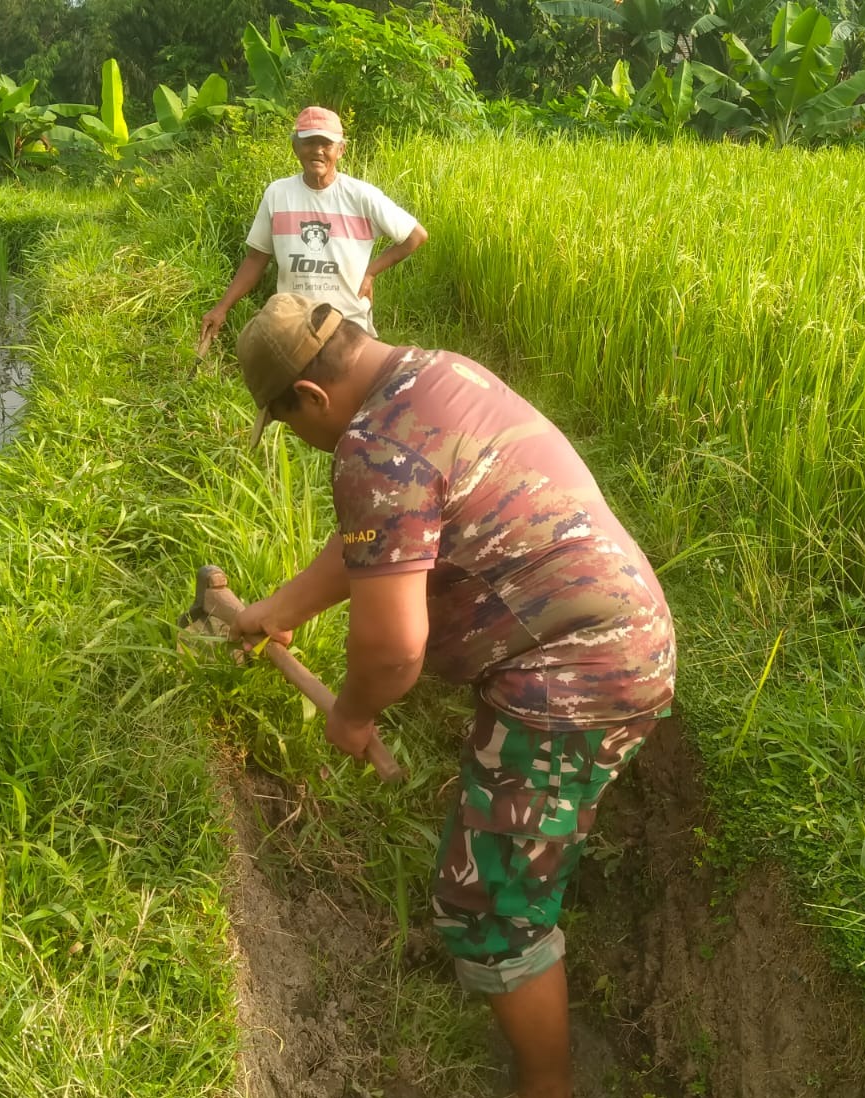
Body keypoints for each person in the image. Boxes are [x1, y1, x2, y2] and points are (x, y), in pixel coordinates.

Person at [230, 293, 676, 1098]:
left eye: (287, 421)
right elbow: (381, 534)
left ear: (310, 398)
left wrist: (354, 713)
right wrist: (278, 611)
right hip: (619, 632)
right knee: (508, 870)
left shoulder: (373, 451)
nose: (300, 439)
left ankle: (548, 1086)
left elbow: (392, 650)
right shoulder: (433, 376)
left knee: (489, 912)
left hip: (574, 678)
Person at [196, 105, 429, 357]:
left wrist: (371, 273)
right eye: (309, 142)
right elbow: (256, 258)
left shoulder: (360, 196)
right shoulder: (278, 194)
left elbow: (415, 236)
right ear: (296, 147)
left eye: (326, 144)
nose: (317, 150)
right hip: (292, 326)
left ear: (341, 150)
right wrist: (222, 308)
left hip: (347, 326)